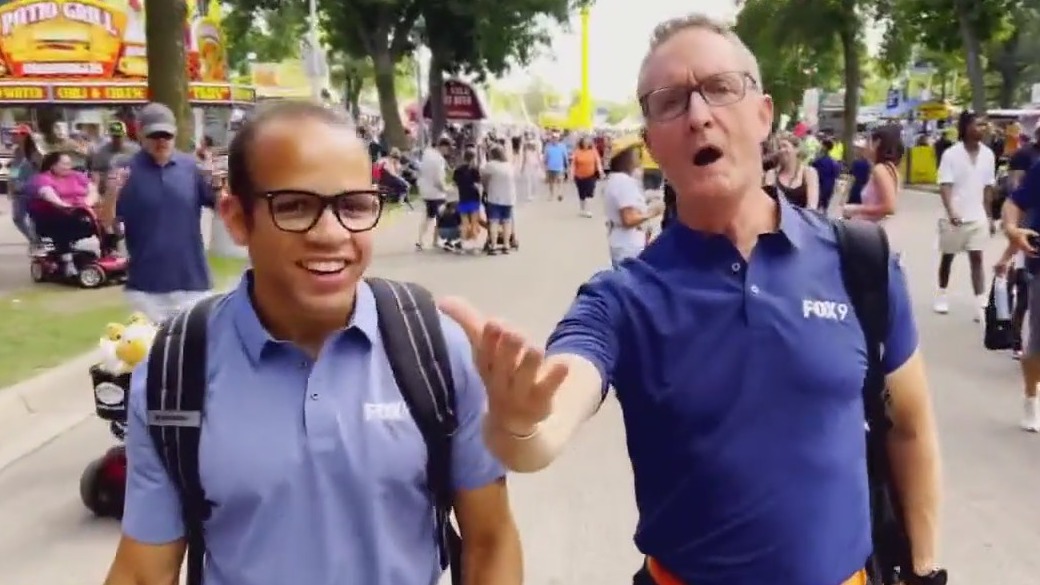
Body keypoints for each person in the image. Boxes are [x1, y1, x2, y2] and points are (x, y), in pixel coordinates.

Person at [440, 13, 943, 585]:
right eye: (671, 101)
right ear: (652, 141)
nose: (699, 115)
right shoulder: (624, 298)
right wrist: (519, 421)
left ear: (763, 115)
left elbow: (911, 425)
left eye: (720, 89)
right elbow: (545, 423)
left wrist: (923, 568)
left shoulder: (859, 262)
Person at [104, 101, 521, 585]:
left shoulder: (434, 350)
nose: (331, 234)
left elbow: (490, 541)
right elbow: (142, 571)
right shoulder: (175, 372)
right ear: (238, 219)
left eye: (354, 206)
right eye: (295, 206)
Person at [100, 102, 217, 323]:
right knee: (149, 353)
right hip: (145, 290)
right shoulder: (125, 170)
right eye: (154, 136)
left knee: (194, 352)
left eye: (166, 135)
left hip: (193, 284)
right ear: (141, 135)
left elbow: (223, 209)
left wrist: (219, 184)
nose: (161, 141)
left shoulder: (191, 167)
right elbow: (107, 223)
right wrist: (112, 192)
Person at [932, 110, 996, 319]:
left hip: (977, 215)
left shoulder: (988, 155)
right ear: (966, 127)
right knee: (948, 257)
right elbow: (945, 185)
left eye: (984, 126)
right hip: (955, 215)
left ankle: (980, 302)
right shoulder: (951, 154)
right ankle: (942, 293)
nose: (982, 129)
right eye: (978, 125)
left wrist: (989, 216)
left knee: (977, 257)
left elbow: (988, 188)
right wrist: (951, 210)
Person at [29, 151, 99, 275]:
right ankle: (68, 262)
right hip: (52, 216)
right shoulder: (43, 178)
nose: (68, 167)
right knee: (62, 221)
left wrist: (88, 203)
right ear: (53, 165)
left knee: (104, 219)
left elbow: (92, 189)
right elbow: (47, 193)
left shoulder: (77, 176)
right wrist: (63, 205)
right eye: (64, 164)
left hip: (81, 212)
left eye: (69, 164)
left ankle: (109, 252)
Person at [601, 138, 663, 267]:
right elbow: (629, 219)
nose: (638, 156)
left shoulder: (616, 179)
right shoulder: (624, 182)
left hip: (622, 240)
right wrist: (652, 212)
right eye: (635, 153)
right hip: (629, 243)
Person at [842, 124, 902, 227]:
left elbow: (889, 207)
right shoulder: (889, 168)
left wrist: (855, 208)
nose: (865, 146)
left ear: (877, 143)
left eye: (868, 141)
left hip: (867, 229)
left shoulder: (880, 169)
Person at [415, 137, 453, 251]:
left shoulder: (427, 154)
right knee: (439, 216)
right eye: (448, 149)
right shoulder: (439, 159)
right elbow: (438, 179)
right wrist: (446, 189)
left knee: (429, 216)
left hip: (425, 190)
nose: (448, 152)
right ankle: (435, 240)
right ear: (443, 147)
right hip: (436, 193)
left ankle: (420, 240)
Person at [763, 132, 819, 209]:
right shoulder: (772, 174)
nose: (782, 150)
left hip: (801, 219)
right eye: (779, 148)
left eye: (785, 146)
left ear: (796, 149)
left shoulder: (809, 173)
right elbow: (766, 204)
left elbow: (812, 207)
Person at [481, 146, 517, 255]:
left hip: (495, 197)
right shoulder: (509, 165)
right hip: (509, 197)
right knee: (507, 221)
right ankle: (506, 245)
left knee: (494, 222)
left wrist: (485, 189)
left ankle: (493, 245)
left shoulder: (490, 165)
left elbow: (484, 178)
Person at [8, 124, 40, 244]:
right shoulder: (17, 152)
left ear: (25, 136)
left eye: (16, 134)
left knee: (33, 219)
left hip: (31, 192)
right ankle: (34, 240)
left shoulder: (35, 153)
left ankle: (37, 242)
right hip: (18, 192)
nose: (13, 136)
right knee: (17, 218)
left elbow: (40, 172)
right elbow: (14, 171)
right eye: (13, 134)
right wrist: (11, 185)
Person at [453, 149, 482, 251]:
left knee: (464, 223)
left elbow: (455, 183)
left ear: (463, 156)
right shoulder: (474, 169)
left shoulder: (458, 170)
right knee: (474, 223)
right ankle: (474, 247)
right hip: (474, 197)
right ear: (473, 158)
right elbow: (478, 182)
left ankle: (463, 245)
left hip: (463, 198)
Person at [571, 136, 603, 218]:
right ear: (582, 143)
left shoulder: (593, 151)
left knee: (589, 193)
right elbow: (573, 164)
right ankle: (582, 209)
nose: (586, 144)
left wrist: (600, 171)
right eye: (585, 142)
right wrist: (572, 174)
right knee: (582, 194)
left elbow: (598, 162)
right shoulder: (577, 152)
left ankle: (588, 210)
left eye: (588, 142)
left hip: (591, 175)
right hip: (579, 176)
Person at [811, 138, 842, 211]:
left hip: (819, 186)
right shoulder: (834, 162)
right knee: (825, 207)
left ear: (824, 147)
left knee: (815, 208)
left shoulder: (818, 161)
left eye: (821, 145)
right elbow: (836, 175)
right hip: (829, 187)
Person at [543, 131, 568, 201]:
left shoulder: (562, 146)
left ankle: (560, 194)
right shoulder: (548, 146)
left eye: (556, 138)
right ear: (551, 138)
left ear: (558, 138)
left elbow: (565, 156)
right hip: (550, 167)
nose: (554, 139)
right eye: (553, 138)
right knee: (551, 182)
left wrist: (567, 165)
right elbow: (545, 157)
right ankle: (551, 194)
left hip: (559, 167)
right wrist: (545, 165)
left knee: (560, 181)